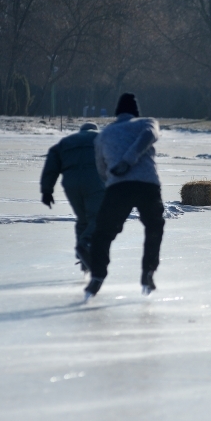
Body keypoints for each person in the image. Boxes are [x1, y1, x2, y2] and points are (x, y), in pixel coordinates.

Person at [85, 93, 165, 298]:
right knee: (154, 226)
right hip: (148, 183)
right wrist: (131, 159)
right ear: (136, 111)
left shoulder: (104, 134)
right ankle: (148, 271)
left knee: (103, 232)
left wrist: (111, 177)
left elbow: (100, 164)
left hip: (118, 186)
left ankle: (97, 275)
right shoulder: (147, 122)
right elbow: (149, 135)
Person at [40, 122, 106, 272]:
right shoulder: (102, 138)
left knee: (83, 220)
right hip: (94, 180)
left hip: (70, 183)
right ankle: (86, 244)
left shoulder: (67, 141)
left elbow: (52, 161)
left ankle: (84, 261)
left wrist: (47, 190)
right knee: (98, 218)